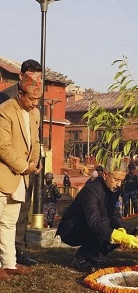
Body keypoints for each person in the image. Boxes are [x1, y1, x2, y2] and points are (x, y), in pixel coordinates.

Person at [56, 158, 138, 272]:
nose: (118, 184)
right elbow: (94, 222)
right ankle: (82, 257)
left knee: (119, 229)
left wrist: (133, 231)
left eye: (121, 180)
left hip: (96, 223)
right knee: (105, 226)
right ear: (105, 175)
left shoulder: (114, 190)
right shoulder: (91, 190)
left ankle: (95, 256)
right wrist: (119, 236)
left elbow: (115, 216)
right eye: (116, 179)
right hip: (74, 228)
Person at [0, 59, 43, 278]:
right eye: (32, 99)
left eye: (38, 99)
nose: (35, 103)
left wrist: (33, 163)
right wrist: (25, 166)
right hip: (3, 176)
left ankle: (9, 263)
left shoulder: (34, 113)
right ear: (20, 93)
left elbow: (35, 142)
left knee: (9, 222)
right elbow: (3, 147)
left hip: (20, 177)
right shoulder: (5, 110)